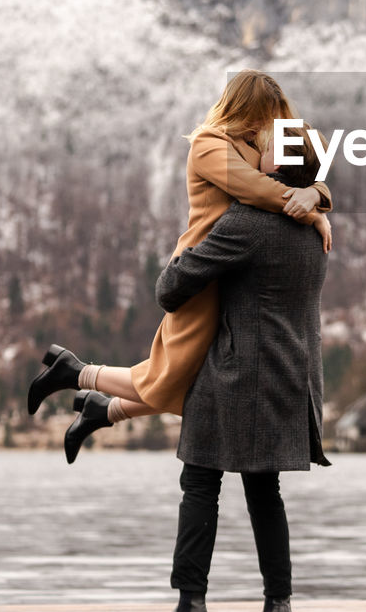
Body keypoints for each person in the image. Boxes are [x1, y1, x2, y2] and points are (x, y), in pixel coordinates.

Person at [26, 70, 332, 461]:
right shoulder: (210, 144)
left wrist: (316, 193)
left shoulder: (256, 145)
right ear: (241, 108)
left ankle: (101, 409)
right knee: (174, 378)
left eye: (273, 116)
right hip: (203, 268)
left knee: (199, 381)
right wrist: (310, 206)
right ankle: (77, 373)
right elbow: (257, 191)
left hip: (233, 273)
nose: (266, 125)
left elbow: (309, 161)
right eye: (261, 114)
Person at [145, 128, 331, 612]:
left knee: (200, 480)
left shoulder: (247, 223)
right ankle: (279, 604)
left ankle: (190, 605)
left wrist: (187, 246)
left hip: (239, 373)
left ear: (277, 170)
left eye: (265, 150)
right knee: (264, 489)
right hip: (294, 373)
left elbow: (170, 290)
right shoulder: (315, 230)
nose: (255, 153)